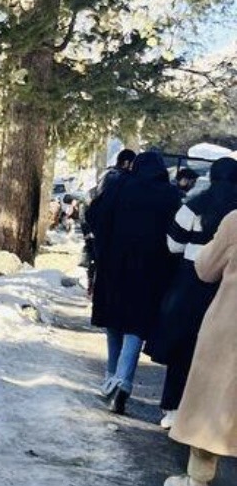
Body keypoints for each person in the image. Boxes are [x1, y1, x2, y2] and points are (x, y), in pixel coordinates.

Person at [83, 149, 180, 414]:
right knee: (136, 325)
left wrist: (103, 247)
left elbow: (94, 215)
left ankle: (111, 375)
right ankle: (123, 380)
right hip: (151, 271)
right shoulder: (170, 194)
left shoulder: (120, 186)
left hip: (115, 265)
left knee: (114, 321)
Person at [149, 158, 237, 430]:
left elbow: (173, 244)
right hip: (227, 286)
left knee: (182, 348)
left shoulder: (194, 206)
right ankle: (207, 415)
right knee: (218, 354)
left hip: (190, 281)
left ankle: (172, 408)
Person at [164, 207, 237, 486]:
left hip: (230, 327)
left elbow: (205, 268)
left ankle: (196, 485)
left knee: (213, 400)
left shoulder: (235, 221)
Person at [83, 149, 136, 293]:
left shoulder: (107, 175)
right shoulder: (119, 179)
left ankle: (94, 288)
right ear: (126, 163)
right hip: (110, 231)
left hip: (100, 229)